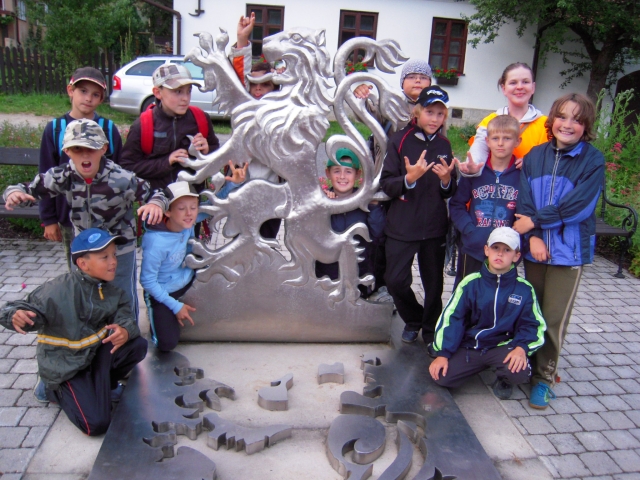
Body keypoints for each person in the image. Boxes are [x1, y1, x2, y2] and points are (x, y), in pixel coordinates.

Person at [3, 119, 167, 320]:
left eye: (91, 148)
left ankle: (128, 334)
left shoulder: (121, 178)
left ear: (103, 149)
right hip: (84, 247)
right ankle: (90, 334)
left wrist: (155, 203)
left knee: (122, 295)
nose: (85, 155)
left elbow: (156, 193)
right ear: (67, 151)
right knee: (84, 295)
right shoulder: (64, 175)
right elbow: (29, 189)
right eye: (77, 149)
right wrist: (14, 193)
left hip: (118, 249)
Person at [0, 228, 148, 436]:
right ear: (83, 264)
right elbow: (21, 310)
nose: (113, 261)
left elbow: (125, 318)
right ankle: (52, 389)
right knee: (96, 424)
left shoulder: (113, 292)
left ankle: (102, 386)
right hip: (66, 365)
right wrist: (15, 315)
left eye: (114, 255)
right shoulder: (56, 290)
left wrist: (124, 329)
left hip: (92, 356)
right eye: (104, 257)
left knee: (137, 345)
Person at [513, 93, 605, 409]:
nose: (568, 125)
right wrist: (534, 237)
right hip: (535, 250)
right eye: (563, 117)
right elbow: (525, 201)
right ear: (552, 120)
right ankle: (524, 366)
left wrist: (535, 223)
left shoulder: (592, 160)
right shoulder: (535, 156)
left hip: (569, 253)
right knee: (531, 312)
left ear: (586, 126)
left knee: (553, 318)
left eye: (577, 120)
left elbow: (579, 206)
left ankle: (544, 378)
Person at [429, 227, 546, 399]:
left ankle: (503, 377)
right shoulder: (470, 283)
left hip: (502, 346)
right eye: (495, 248)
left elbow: (533, 324)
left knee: (518, 373)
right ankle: (475, 364)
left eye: (507, 250)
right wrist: (443, 353)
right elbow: (453, 318)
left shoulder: (524, 289)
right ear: (486, 250)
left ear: (516, 256)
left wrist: (522, 348)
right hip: (471, 346)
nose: (500, 254)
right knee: (441, 377)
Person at [380, 85, 457, 344]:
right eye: (429, 112)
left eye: (440, 114)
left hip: (434, 228)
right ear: (417, 111)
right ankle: (413, 319)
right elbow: (387, 184)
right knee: (395, 280)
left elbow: (451, 189)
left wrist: (446, 180)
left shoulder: (445, 144)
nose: (434, 119)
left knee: (434, 285)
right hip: (402, 225)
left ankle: (430, 328)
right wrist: (409, 179)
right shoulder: (399, 140)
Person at [39, 67, 123, 271]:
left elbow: (121, 174)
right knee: (79, 271)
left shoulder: (108, 129)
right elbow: (45, 177)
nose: (88, 98)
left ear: (101, 99)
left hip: (105, 218)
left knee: (106, 269)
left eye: (95, 94)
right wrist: (49, 219)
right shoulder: (56, 129)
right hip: (69, 216)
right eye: (83, 91)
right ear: (70, 90)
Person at [119, 63, 220, 193]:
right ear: (158, 92)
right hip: (155, 199)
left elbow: (217, 155)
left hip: (192, 199)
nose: (185, 98)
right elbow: (127, 166)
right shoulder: (143, 125)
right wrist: (167, 161)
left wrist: (207, 151)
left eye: (188, 91)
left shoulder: (200, 119)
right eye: (178, 91)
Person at [449, 115, 522, 288]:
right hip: (473, 248)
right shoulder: (475, 171)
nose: (500, 143)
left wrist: (517, 240)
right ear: (487, 141)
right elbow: (456, 204)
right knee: (465, 293)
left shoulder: (521, 175)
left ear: (517, 141)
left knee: (497, 297)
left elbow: (525, 211)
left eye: (507, 138)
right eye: (495, 138)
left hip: (504, 251)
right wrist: (469, 230)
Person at [140, 182, 209, 352]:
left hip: (186, 280)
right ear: (167, 212)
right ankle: (158, 317)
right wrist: (175, 306)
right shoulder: (156, 242)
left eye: (193, 207)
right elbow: (147, 281)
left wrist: (232, 185)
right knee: (167, 344)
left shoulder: (186, 221)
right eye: (181, 208)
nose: (189, 213)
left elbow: (212, 207)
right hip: (163, 291)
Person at [315, 149, 385, 298]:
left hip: (359, 278)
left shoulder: (366, 204)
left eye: (348, 171)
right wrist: (323, 207)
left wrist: (373, 205)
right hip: (328, 279)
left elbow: (378, 234)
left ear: (358, 174)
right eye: (336, 171)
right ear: (328, 173)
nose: (342, 176)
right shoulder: (322, 203)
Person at [459, 62, 548, 175]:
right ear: (504, 88)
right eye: (513, 82)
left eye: (525, 82)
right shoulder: (490, 121)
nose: (519, 87)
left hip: (530, 184)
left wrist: (532, 163)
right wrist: (473, 168)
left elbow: (552, 160)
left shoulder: (546, 124)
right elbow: (479, 151)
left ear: (533, 87)